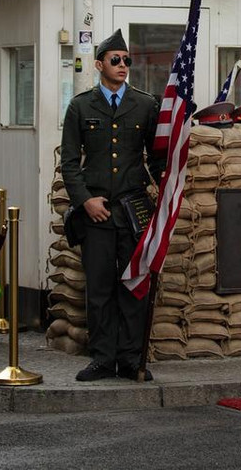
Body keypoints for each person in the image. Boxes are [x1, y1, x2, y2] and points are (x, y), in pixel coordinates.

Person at [60, 29, 163, 382]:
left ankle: (131, 359)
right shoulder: (81, 106)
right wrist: (85, 201)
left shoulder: (146, 104)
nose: (123, 66)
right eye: (115, 60)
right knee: (100, 289)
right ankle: (103, 359)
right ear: (99, 64)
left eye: (127, 61)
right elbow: (70, 164)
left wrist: (168, 186)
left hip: (133, 210)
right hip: (97, 211)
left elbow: (157, 157)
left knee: (133, 286)